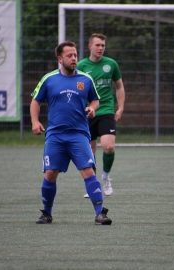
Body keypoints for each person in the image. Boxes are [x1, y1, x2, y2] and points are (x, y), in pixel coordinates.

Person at [30, 40, 112, 225]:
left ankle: (100, 213)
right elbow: (35, 101)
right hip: (55, 135)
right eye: (69, 55)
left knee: (88, 171)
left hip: (79, 134)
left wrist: (92, 108)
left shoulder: (85, 79)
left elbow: (95, 101)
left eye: (75, 55)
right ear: (60, 59)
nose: (74, 58)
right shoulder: (49, 79)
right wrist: (35, 122)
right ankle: (47, 213)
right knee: (50, 173)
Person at [77, 33, 125, 197]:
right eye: (97, 45)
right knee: (90, 150)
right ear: (90, 46)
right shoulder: (81, 66)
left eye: (103, 45)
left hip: (106, 110)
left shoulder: (111, 64)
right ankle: (93, 184)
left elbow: (119, 87)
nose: (100, 48)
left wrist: (120, 108)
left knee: (108, 146)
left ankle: (105, 176)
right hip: (87, 112)